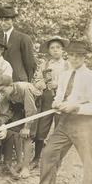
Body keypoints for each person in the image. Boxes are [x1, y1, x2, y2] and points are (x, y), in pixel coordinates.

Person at [26, 41, 92, 184]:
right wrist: (57, 102)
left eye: (78, 55)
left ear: (84, 57)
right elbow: (59, 95)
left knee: (89, 162)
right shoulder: (65, 75)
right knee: (48, 154)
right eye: (72, 55)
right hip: (64, 122)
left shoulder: (91, 77)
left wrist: (77, 107)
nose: (74, 58)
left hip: (84, 123)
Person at [30, 36, 70, 168]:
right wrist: (44, 85)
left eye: (58, 47)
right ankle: (36, 159)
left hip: (63, 99)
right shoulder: (44, 64)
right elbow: (37, 79)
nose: (55, 50)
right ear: (49, 50)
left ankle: (57, 161)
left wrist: (57, 84)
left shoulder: (68, 65)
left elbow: (72, 82)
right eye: (52, 48)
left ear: (62, 49)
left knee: (60, 129)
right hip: (47, 98)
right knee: (42, 128)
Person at [0, 74, 42, 179]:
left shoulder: (24, 89)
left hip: (35, 106)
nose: (1, 94)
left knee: (27, 136)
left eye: (2, 90)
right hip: (19, 107)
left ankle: (26, 167)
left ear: (11, 86)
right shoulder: (4, 96)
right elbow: (6, 113)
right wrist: (1, 122)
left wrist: (27, 127)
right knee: (15, 132)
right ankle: (20, 162)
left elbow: (31, 110)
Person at [0, 6, 36, 82]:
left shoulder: (23, 38)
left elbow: (30, 63)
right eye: (1, 20)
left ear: (13, 20)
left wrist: (28, 81)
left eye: (6, 20)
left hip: (19, 80)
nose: (3, 23)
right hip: (1, 82)